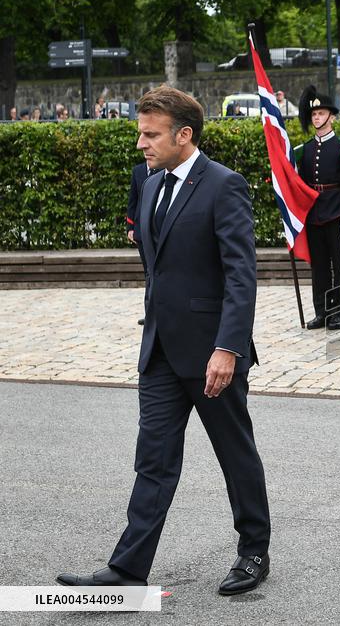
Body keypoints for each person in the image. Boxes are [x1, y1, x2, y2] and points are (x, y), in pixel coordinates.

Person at [57, 85, 270, 595]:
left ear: (184, 135)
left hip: (212, 353)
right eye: (140, 134)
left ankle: (253, 551)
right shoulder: (150, 185)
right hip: (158, 351)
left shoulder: (225, 186)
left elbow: (241, 276)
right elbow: (155, 266)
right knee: (153, 461)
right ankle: (129, 570)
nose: (141, 144)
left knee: (234, 453)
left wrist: (228, 348)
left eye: (150, 135)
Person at [296, 85, 340, 331]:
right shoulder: (305, 149)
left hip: (336, 213)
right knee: (319, 267)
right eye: (313, 115)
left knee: (338, 267)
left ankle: (337, 312)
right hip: (314, 215)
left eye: (321, 114)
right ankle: (321, 312)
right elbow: (298, 185)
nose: (317, 118)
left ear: (331, 117)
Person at [126, 161, 161, 325]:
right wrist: (130, 227)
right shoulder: (137, 171)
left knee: (158, 272)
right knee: (148, 273)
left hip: (159, 229)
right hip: (141, 231)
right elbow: (133, 200)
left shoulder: (164, 169)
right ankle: (150, 314)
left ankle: (160, 312)